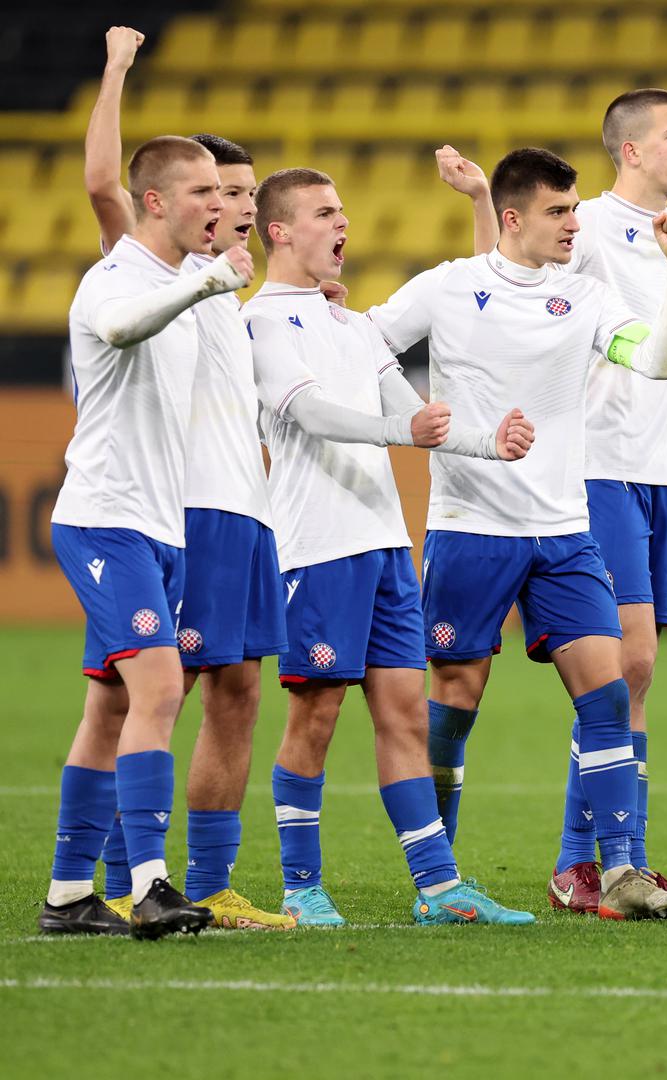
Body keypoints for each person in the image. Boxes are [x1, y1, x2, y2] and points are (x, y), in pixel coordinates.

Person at [366, 147, 667, 920]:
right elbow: (369, 345)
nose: (573, 224)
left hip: (563, 531)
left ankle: (618, 873)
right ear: (512, 218)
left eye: (576, 209)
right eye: (558, 211)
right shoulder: (449, 287)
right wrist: (422, 421)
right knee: (455, 696)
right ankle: (440, 881)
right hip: (471, 528)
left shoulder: (583, 298)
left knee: (608, 690)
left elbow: (653, 360)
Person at [431, 90, 667, 914]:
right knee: (622, 664)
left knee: (636, 675)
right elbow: (498, 286)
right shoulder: (587, 225)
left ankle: (603, 861)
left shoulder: (666, 236)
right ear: (631, 150)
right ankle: (583, 862)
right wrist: (474, 205)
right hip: (595, 465)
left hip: (659, 468)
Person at [245, 166, 537, 926]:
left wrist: (486, 445)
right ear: (279, 229)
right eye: (323, 212)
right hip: (317, 548)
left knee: (406, 715)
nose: (343, 224)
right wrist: (398, 433)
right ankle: (301, 888)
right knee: (315, 717)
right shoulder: (263, 323)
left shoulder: (353, 325)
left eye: (343, 210)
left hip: (383, 546)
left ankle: (439, 888)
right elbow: (310, 415)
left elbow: (415, 415)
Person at [81, 23, 294, 930]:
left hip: (240, 511)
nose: (237, 206)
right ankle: (148, 873)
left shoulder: (226, 293)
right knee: (162, 691)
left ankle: (182, 878)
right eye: (220, 191)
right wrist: (119, 66)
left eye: (245, 192)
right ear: (178, 201)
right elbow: (102, 184)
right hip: (186, 510)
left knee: (227, 691)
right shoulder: (153, 274)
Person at [41, 135, 251, 937]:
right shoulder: (117, 278)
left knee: (108, 708)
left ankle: (68, 895)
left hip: (160, 527)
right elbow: (123, 329)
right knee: (162, 689)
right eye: (201, 192)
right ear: (155, 202)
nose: (220, 206)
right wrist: (202, 287)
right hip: (105, 518)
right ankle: (151, 883)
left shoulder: (190, 289)